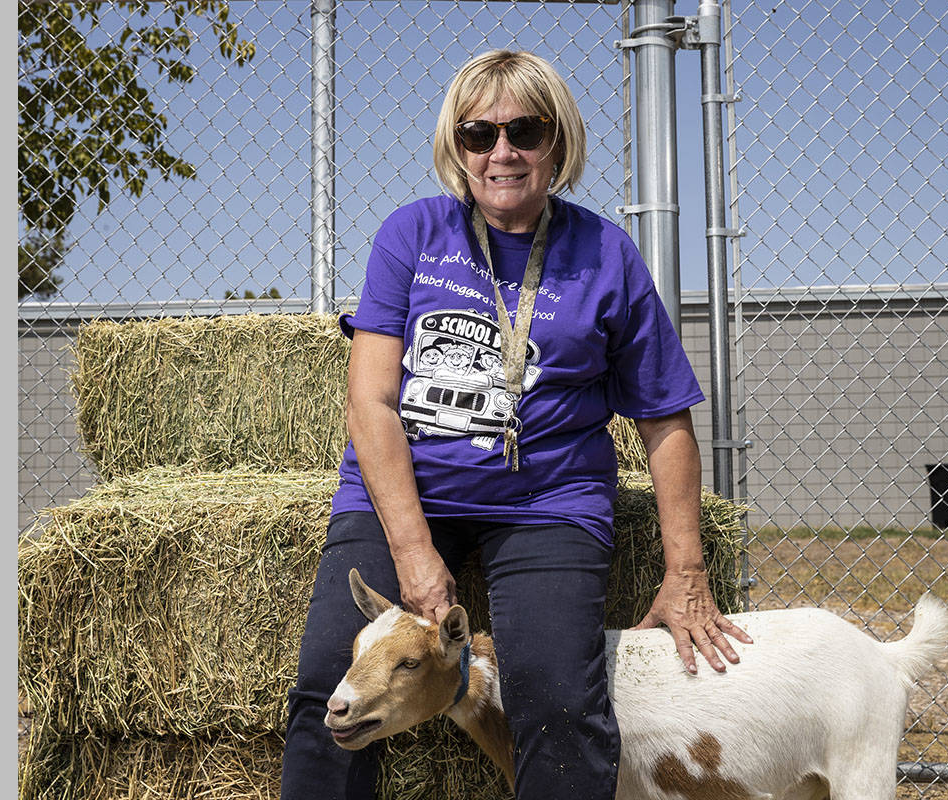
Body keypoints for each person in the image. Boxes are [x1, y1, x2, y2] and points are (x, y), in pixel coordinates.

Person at [280, 49, 752, 800]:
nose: (502, 152)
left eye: (524, 131)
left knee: (560, 701)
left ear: (556, 144)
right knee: (325, 695)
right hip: (405, 496)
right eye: (478, 134)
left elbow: (664, 418)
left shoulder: (606, 253)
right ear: (455, 146)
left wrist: (686, 573)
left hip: (548, 504)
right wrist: (412, 550)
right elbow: (369, 404)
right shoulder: (411, 236)